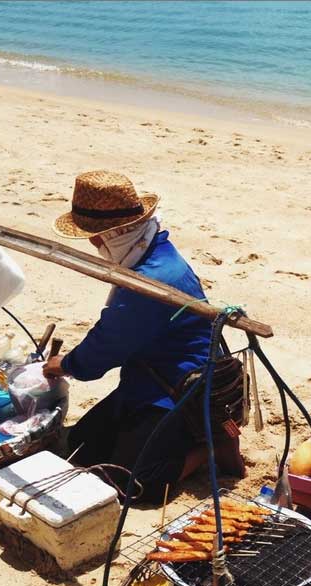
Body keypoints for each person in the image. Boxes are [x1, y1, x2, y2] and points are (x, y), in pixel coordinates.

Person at [44, 170, 244, 503]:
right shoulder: (150, 249)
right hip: (147, 375)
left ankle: (209, 447)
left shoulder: (149, 281)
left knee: (136, 486)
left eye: (95, 237)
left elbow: (106, 347)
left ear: (107, 236)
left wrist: (65, 364)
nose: (95, 245)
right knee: (82, 444)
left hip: (180, 387)